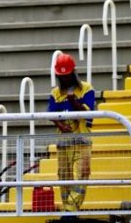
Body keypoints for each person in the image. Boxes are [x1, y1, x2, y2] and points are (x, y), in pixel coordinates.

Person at [47, 52, 95, 217]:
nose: (65, 79)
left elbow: (88, 113)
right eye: (62, 77)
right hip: (64, 140)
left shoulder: (87, 89)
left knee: (83, 173)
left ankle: (70, 211)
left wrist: (74, 101)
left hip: (82, 140)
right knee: (63, 175)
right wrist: (60, 124)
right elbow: (51, 115)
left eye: (67, 76)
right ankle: (68, 207)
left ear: (73, 73)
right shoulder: (55, 93)